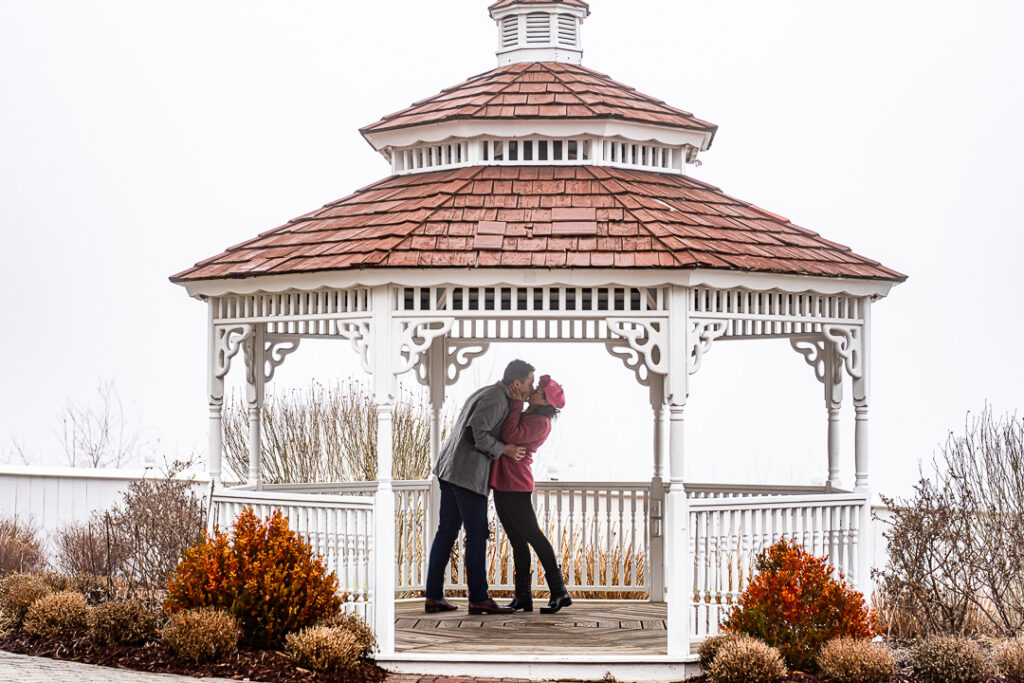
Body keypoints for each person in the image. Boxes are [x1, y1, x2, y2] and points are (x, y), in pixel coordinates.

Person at [423, 359, 535, 615]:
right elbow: (476, 433)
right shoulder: (497, 399)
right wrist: (504, 449)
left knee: (446, 532)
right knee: (477, 534)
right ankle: (479, 598)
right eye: (529, 383)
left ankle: (434, 596)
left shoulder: (488, 391)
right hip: (466, 474)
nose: (531, 389)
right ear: (516, 383)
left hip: (450, 469)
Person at [490, 374, 572, 614]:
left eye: (538, 391)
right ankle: (522, 596)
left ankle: (559, 591)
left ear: (545, 401)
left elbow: (509, 436)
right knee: (517, 541)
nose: (533, 391)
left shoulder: (541, 422)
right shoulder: (531, 415)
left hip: (516, 484)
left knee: (534, 537)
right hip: (504, 482)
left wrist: (516, 404)